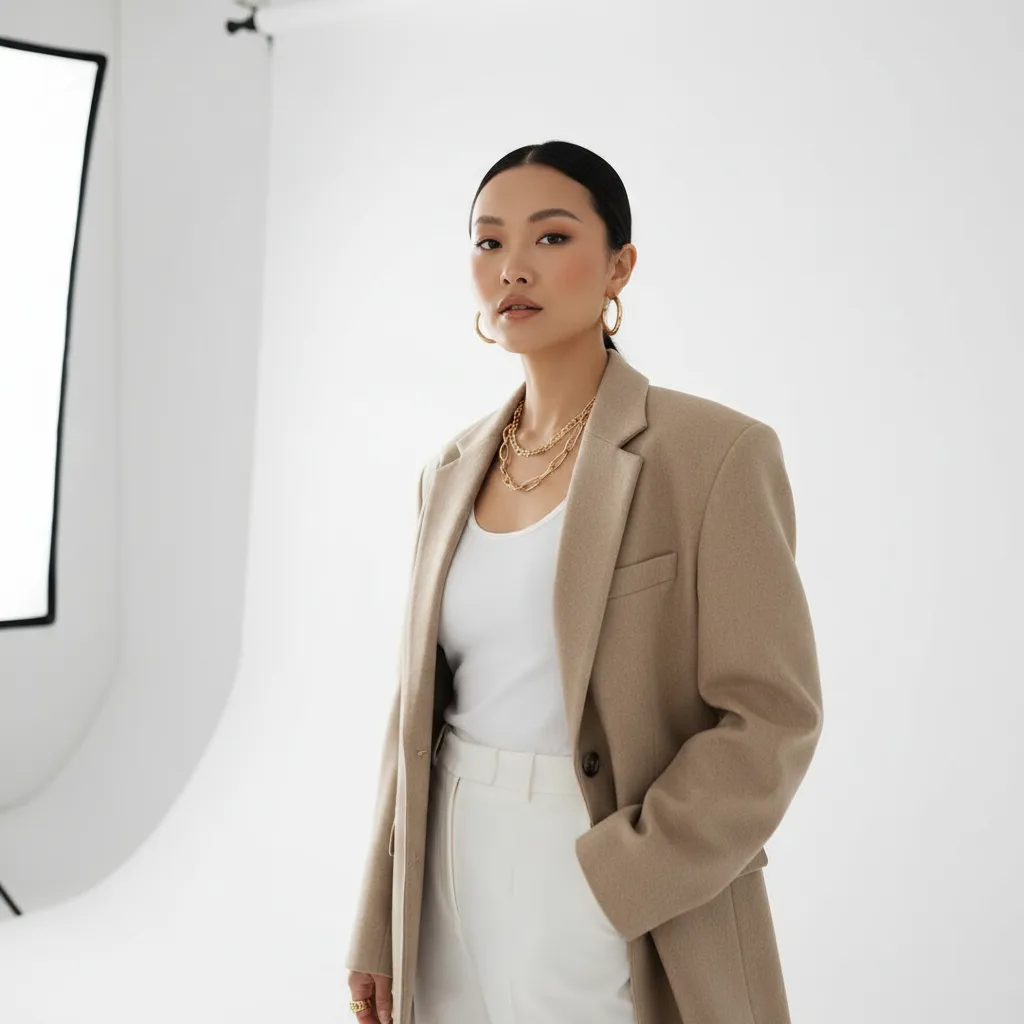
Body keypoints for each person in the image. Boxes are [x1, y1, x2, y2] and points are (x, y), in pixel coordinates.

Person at [345, 140, 823, 1024]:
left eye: (552, 237)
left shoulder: (713, 454)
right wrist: (380, 916)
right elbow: (411, 709)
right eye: (489, 241)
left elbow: (772, 715)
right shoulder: (448, 470)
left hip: (594, 853)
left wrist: (619, 879)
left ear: (619, 267)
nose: (513, 267)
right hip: (445, 856)